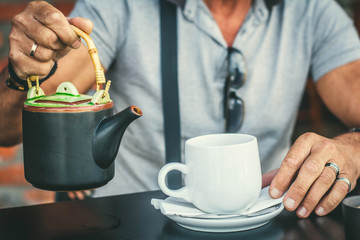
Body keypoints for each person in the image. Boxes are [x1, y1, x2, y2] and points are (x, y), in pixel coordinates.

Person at [1, 0, 360, 218]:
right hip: (130, 221)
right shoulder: (118, 7)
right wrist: (23, 71)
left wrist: (352, 149)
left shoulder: (312, 10)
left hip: (264, 220)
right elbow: (9, 128)